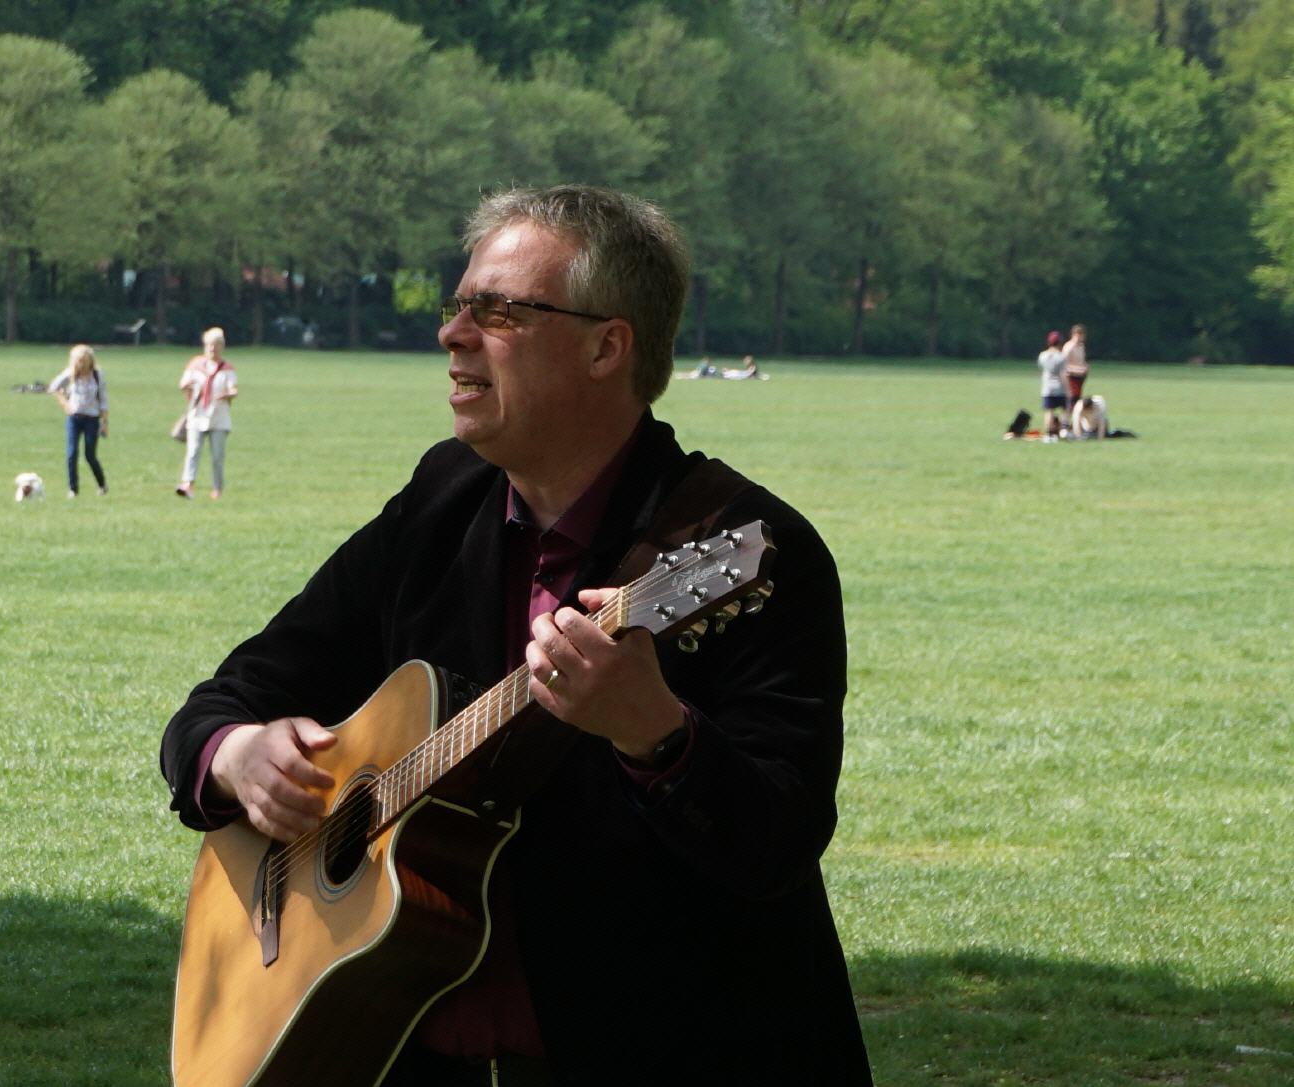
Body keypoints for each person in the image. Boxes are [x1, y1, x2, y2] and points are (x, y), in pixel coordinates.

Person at [161, 185, 870, 1084]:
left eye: (497, 311)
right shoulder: (441, 503)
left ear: (607, 345)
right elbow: (228, 698)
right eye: (458, 305)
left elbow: (777, 841)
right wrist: (236, 754)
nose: (453, 333)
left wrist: (659, 737)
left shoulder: (752, 551)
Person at [176, 327, 237, 499]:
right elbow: (183, 384)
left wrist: (228, 394)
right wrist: (188, 385)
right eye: (210, 345)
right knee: (193, 451)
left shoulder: (227, 368)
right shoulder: (195, 365)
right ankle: (188, 485)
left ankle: (217, 488)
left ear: (222, 347)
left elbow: (234, 389)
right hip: (197, 415)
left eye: (216, 345)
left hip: (219, 417)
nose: (212, 348)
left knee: (217, 455)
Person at [47, 343, 108, 497]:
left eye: (84, 360)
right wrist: (64, 403)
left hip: (92, 419)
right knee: (71, 453)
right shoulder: (71, 374)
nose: (81, 363)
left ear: (90, 360)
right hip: (74, 418)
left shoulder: (97, 375)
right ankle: (73, 489)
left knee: (90, 455)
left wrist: (104, 422)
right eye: (78, 360)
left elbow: (104, 400)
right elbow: (53, 387)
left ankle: (102, 484)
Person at [1037, 330, 1068, 442]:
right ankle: (1063, 430)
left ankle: (1048, 434)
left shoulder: (1042, 356)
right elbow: (1063, 374)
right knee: (1064, 409)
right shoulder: (1061, 357)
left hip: (1047, 388)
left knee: (1049, 411)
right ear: (1059, 342)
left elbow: (1042, 371)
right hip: (1059, 387)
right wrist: (1067, 389)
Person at [1061, 323, 1089, 421]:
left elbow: (1082, 361)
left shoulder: (1081, 347)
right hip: (1071, 378)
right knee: (1070, 402)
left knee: (1077, 402)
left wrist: (1085, 367)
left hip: (1080, 378)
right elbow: (1064, 365)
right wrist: (1078, 369)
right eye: (1077, 335)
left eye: (1081, 335)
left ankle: (1074, 423)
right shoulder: (1069, 347)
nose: (1079, 338)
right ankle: (1064, 423)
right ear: (1073, 335)